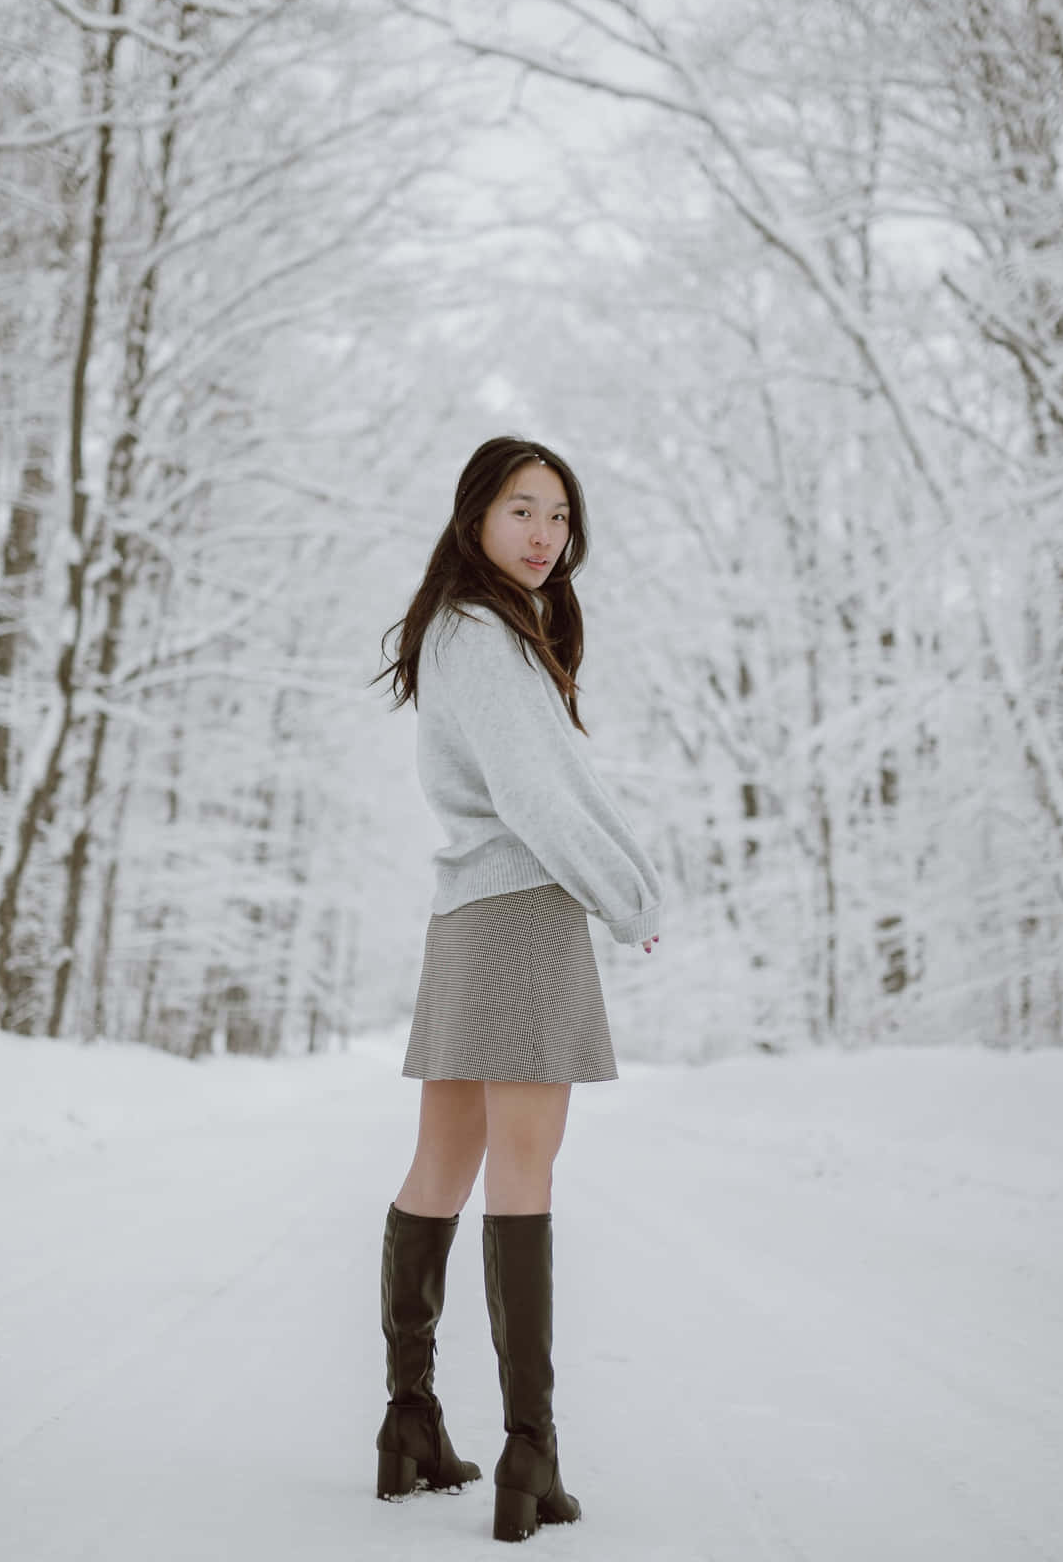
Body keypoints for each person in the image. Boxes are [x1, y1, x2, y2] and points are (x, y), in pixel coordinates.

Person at [371, 435, 663, 1543]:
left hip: (464, 919)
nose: (546, 536)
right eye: (522, 512)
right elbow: (538, 795)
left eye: (560, 517)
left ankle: (410, 1421)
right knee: (524, 1171)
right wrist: (627, 895)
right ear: (474, 519)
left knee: (441, 1163)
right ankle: (528, 1450)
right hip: (523, 911)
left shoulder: (461, 631)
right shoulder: (486, 637)